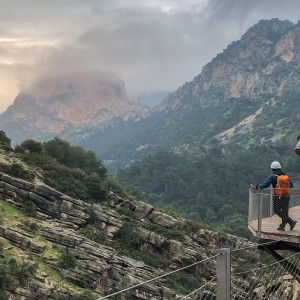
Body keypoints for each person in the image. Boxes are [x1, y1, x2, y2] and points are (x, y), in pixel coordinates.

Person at [256, 161, 297, 231]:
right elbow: (291, 185)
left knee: (277, 210)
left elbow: (265, 185)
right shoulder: (285, 176)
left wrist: (258, 186)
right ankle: (286, 224)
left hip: (277, 196)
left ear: (272, 168)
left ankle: (286, 224)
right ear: (280, 167)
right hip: (286, 196)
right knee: (285, 211)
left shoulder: (272, 177)